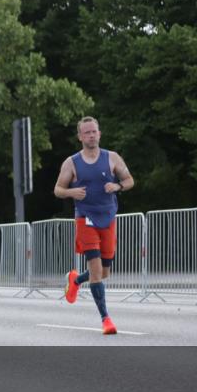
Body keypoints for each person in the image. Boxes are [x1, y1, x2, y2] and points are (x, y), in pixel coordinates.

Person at [54, 116, 135, 335]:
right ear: (80, 137)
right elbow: (58, 189)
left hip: (108, 218)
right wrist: (71, 192)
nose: (91, 135)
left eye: (94, 131)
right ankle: (106, 319)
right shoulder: (72, 162)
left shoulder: (112, 158)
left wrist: (117, 186)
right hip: (85, 219)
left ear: (99, 133)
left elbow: (129, 181)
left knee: (104, 272)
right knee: (96, 271)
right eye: (87, 132)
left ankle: (76, 279)